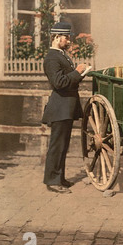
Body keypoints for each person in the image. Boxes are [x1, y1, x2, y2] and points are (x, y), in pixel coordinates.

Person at [42, 22, 88, 194]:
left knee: (63, 146)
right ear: (56, 37)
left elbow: (68, 80)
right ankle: (52, 181)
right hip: (60, 108)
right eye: (66, 37)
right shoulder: (52, 58)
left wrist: (80, 74)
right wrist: (76, 72)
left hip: (66, 108)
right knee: (57, 146)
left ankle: (59, 177)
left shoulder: (61, 55)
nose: (69, 40)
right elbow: (59, 82)